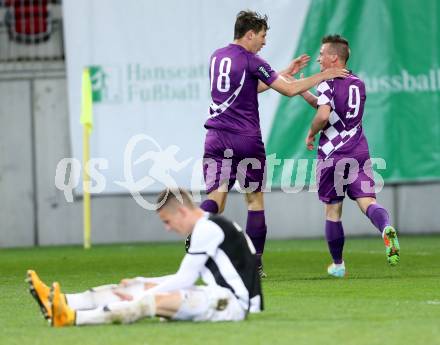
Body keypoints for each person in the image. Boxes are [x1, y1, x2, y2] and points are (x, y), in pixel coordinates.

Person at [200, 10, 349, 277]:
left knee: (216, 200)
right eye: (262, 36)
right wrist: (324, 76)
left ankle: (194, 232)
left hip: (215, 137)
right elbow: (290, 90)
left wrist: (283, 72)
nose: (264, 42)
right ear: (249, 34)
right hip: (245, 139)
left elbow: (248, 86)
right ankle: (255, 264)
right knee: (255, 201)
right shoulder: (251, 59)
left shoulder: (217, 56)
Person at [26, 188, 263, 327]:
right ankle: (58, 300)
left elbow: (183, 279)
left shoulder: (207, 229)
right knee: (137, 287)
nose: (168, 229)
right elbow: (186, 277)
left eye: (167, 222)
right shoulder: (209, 226)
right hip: (219, 297)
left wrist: (144, 292)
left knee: (146, 300)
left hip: (234, 306)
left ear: (181, 211)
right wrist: (142, 282)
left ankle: (72, 317)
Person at [300, 34, 400, 277]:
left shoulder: (327, 83)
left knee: (333, 211)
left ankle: (338, 265)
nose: (319, 59)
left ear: (334, 57)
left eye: (322, 54)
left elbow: (325, 116)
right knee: (368, 202)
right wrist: (305, 93)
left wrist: (311, 133)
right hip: (358, 151)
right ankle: (386, 227)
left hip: (332, 155)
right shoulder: (358, 83)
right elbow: (334, 111)